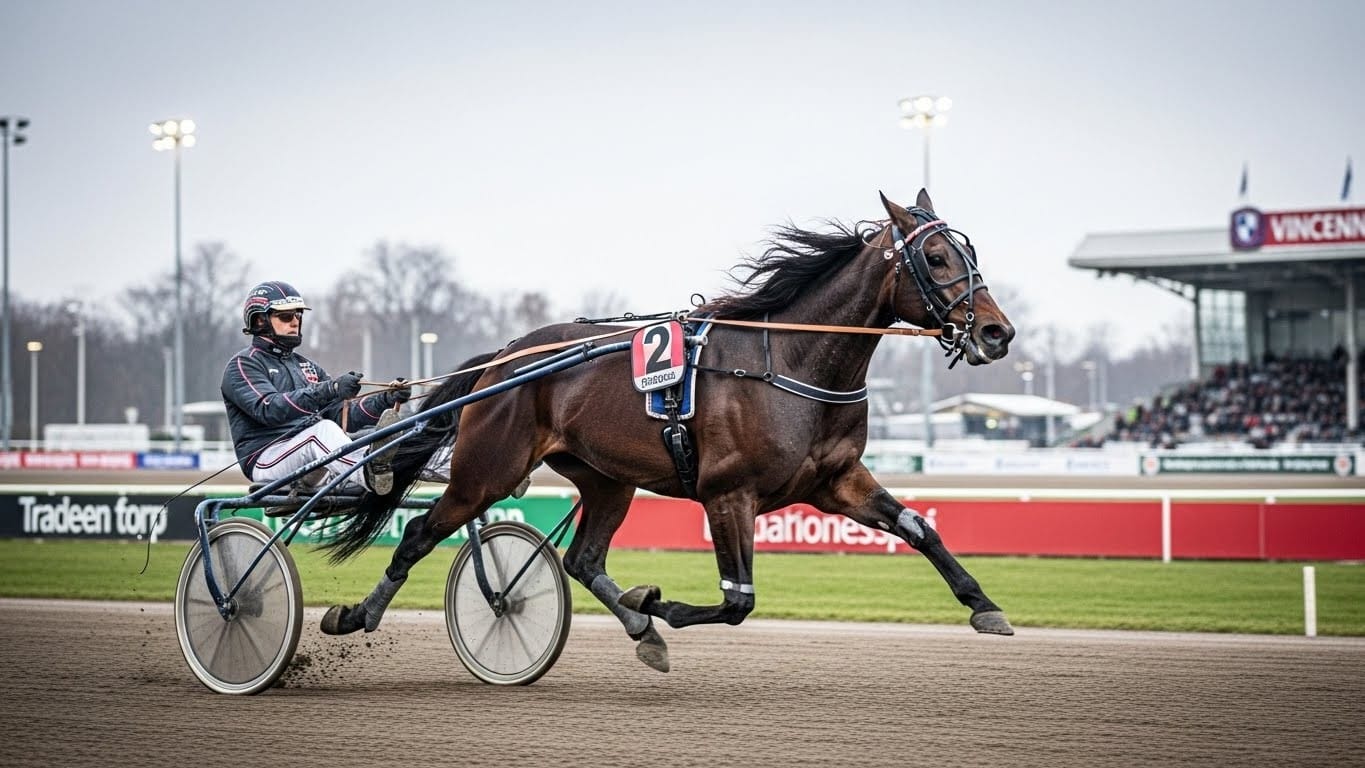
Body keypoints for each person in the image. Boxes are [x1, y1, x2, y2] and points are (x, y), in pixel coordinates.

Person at [222, 281, 412, 502]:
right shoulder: (243, 365)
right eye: (286, 316)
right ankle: (365, 474)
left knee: (381, 433)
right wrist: (329, 389)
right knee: (321, 431)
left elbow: (342, 417)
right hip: (266, 459)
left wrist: (384, 400)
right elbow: (269, 408)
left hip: (311, 458)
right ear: (260, 320)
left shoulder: (308, 366)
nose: (295, 321)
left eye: (298, 315)